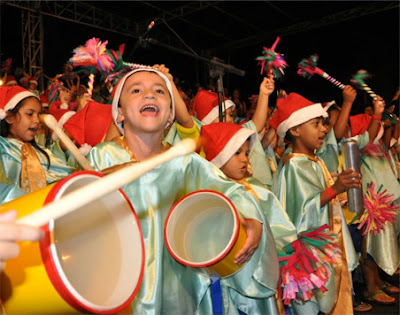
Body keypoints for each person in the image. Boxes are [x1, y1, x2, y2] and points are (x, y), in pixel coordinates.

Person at [87, 67, 274, 314]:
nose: (150, 95)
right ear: (119, 114)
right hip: (119, 287)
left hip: (179, 291)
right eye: (136, 90)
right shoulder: (101, 159)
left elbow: (231, 191)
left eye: (159, 91)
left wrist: (251, 218)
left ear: (169, 116)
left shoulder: (186, 163)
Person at [271, 93, 360, 315]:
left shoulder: (314, 161)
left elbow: (318, 199)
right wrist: (334, 189)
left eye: (323, 124)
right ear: (295, 130)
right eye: (316, 124)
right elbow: (298, 212)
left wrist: (335, 195)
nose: (324, 129)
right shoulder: (294, 166)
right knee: (308, 307)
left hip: (319, 251)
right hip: (304, 257)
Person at [0, 86, 75, 204]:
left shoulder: (38, 150)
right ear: (9, 117)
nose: (37, 120)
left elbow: (58, 172)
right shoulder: (3, 148)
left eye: (38, 114)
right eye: (30, 114)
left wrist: (60, 148)